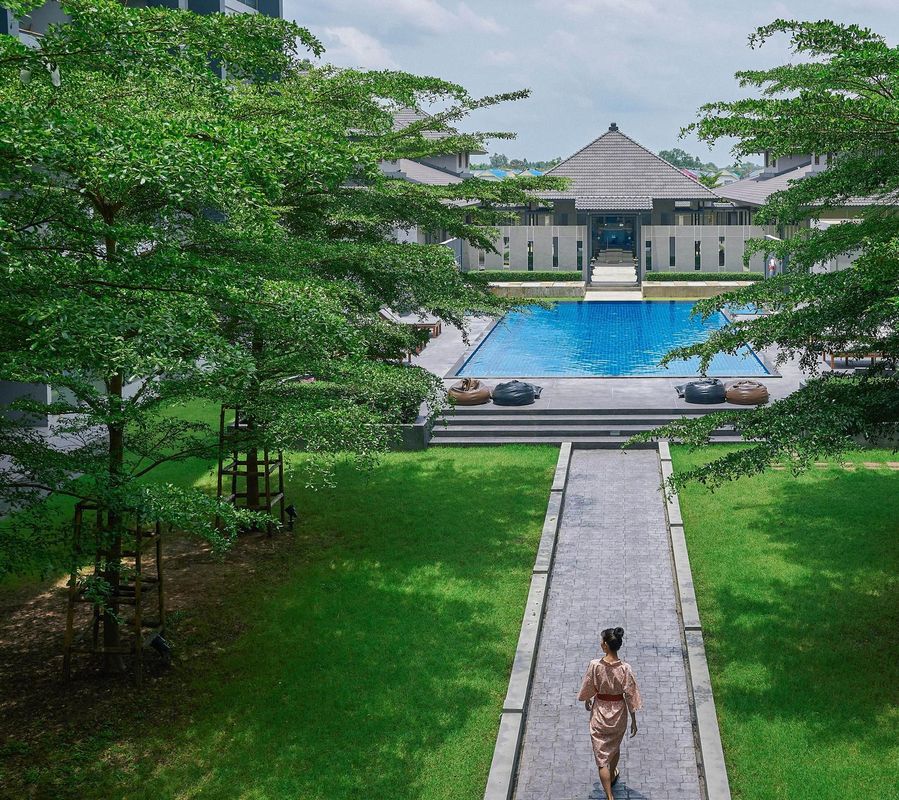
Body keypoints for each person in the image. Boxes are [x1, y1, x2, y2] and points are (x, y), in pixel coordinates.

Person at [577, 627, 642, 800]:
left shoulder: (595, 665)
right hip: (618, 715)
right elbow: (631, 695)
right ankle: (612, 774)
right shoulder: (625, 669)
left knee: (601, 759)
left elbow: (589, 686)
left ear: (605, 645)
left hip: (600, 714)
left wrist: (587, 699)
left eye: (602, 641)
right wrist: (634, 720)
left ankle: (609, 795)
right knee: (615, 747)